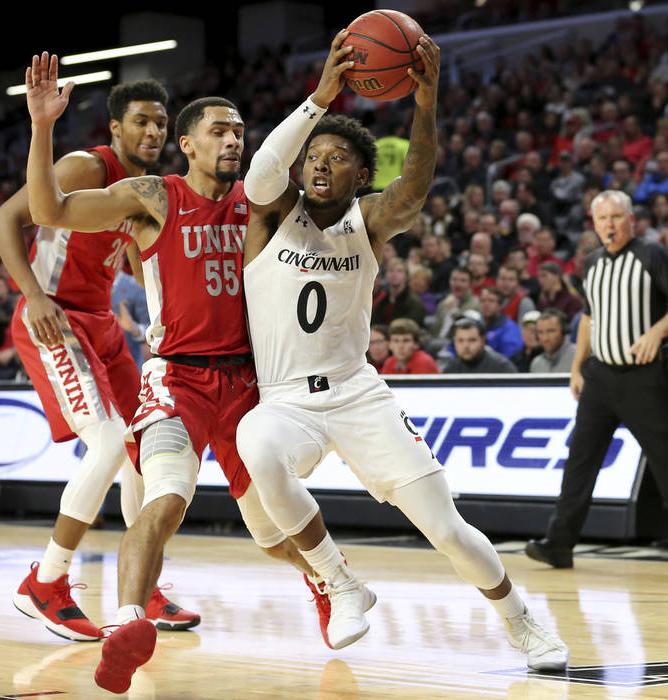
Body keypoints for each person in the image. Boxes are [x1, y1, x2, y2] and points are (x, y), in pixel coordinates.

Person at [237, 30, 567, 671]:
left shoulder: (370, 219)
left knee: (446, 529)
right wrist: (321, 97)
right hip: (285, 400)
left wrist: (425, 104)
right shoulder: (271, 215)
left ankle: (521, 620)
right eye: (315, 158)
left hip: (358, 393)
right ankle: (340, 582)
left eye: (337, 159)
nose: (322, 165)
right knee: (256, 446)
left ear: (360, 176)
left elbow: (411, 194)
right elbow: (258, 174)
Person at [22, 53, 319, 692]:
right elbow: (41, 213)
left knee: (272, 532)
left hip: (248, 383)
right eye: (220, 130)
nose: (235, 139)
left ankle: (328, 577)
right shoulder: (148, 192)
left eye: (241, 130)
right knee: (152, 490)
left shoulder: (261, 201)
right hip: (172, 373)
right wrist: (42, 127)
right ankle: (110, 608)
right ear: (185, 143)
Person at [0, 77, 199, 640]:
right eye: (142, 121)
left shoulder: (149, 188)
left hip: (102, 323)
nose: (154, 131)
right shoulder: (87, 167)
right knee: (108, 441)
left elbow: (131, 257)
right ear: (116, 127)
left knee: (142, 446)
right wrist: (33, 295)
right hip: (53, 316)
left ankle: (143, 588)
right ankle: (46, 582)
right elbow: (4, 220)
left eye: (161, 122)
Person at [526, 190, 668, 568]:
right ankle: (559, 544)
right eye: (602, 219)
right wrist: (578, 367)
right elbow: (589, 319)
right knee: (580, 460)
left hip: (644, 377)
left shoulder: (653, 254)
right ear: (593, 224)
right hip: (600, 378)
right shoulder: (591, 263)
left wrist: (655, 333)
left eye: (615, 217)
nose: (609, 225)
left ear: (631, 219)